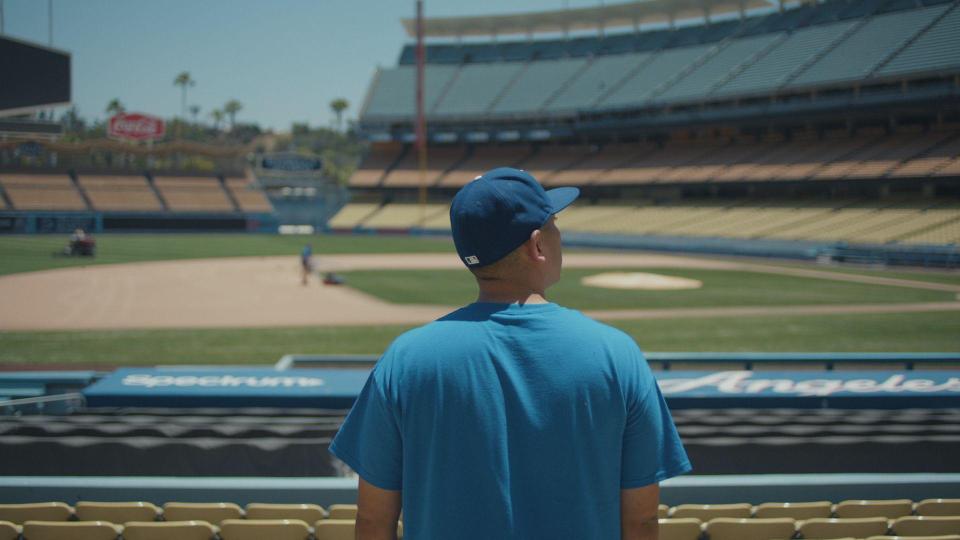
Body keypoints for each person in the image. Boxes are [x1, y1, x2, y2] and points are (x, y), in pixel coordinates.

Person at [329, 167, 691, 540]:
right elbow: (642, 520)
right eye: (554, 224)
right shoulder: (617, 354)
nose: (560, 235)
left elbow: (373, 522)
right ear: (537, 245)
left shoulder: (404, 359)